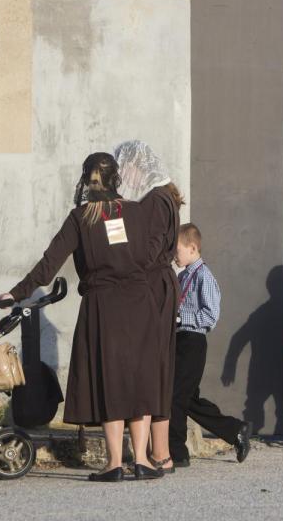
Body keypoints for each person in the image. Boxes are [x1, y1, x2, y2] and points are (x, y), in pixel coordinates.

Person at [0, 153, 164, 482]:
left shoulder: (81, 217)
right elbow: (153, 256)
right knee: (139, 379)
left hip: (104, 306)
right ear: (116, 178)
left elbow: (50, 263)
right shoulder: (137, 211)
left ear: (85, 180)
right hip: (141, 305)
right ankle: (143, 460)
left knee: (111, 381)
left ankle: (115, 463)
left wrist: (16, 293)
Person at [114, 140, 182, 473]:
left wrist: (119, 258)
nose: (121, 174)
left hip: (152, 287)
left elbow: (150, 250)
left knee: (151, 366)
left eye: (123, 167)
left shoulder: (155, 199)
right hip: (154, 284)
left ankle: (161, 453)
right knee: (154, 365)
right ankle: (159, 453)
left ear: (137, 166)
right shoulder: (156, 197)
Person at [170, 223, 251, 466]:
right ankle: (235, 430)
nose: (174, 255)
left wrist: (179, 318)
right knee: (187, 399)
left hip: (193, 342)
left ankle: (177, 453)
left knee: (174, 397)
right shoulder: (182, 275)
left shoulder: (204, 276)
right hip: (178, 340)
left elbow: (211, 316)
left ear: (193, 248)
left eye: (177, 250)